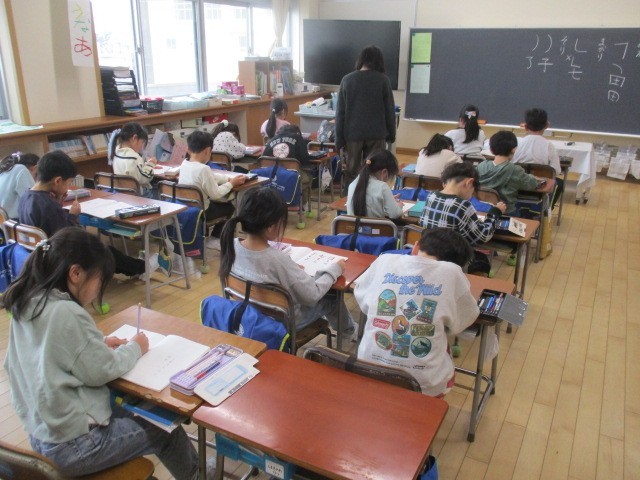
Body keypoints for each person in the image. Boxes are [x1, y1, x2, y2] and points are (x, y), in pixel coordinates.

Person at [2, 227, 200, 479]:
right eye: (99, 280)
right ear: (76, 273)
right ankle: (197, 475)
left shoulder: (28, 300)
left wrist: (99, 343)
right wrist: (135, 347)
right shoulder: (66, 312)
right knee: (165, 430)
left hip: (41, 435)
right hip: (75, 446)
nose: (98, 289)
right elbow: (103, 370)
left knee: (129, 410)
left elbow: (48, 350)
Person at [355, 227, 479, 397]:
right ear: (458, 264)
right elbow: (465, 319)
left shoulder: (384, 260)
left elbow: (363, 300)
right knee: (440, 344)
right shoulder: (452, 272)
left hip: (368, 371)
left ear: (415, 247)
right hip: (424, 386)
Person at [219, 187, 355, 335]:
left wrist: (291, 269)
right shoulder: (277, 260)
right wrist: (335, 269)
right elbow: (312, 295)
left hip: (249, 313)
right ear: (271, 227)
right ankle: (348, 332)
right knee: (332, 298)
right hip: (283, 322)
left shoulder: (231, 244)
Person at [18, 150, 147, 277]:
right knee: (105, 252)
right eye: (68, 183)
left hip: (40, 255)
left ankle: (137, 267)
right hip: (60, 257)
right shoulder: (48, 205)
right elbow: (67, 236)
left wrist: (58, 203)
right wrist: (73, 215)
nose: (68, 187)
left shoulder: (26, 196)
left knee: (103, 249)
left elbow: (51, 225)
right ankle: (143, 267)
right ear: (58, 181)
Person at [420, 162, 507, 275]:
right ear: (469, 182)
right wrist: (495, 213)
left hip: (428, 253)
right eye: (473, 190)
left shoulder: (431, 196)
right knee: (481, 260)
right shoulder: (463, 205)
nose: (471, 195)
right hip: (451, 259)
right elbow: (482, 236)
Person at [335, 45, 396, 194]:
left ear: (361, 60)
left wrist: (339, 140)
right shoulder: (383, 80)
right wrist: (391, 134)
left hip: (352, 135)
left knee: (352, 171)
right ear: (379, 61)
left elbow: (340, 113)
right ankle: (373, 198)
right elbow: (390, 110)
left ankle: (349, 201)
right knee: (375, 170)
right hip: (376, 134)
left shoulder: (347, 80)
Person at [180, 130, 246, 249]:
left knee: (215, 202)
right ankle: (216, 238)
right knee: (229, 207)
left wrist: (227, 179)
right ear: (208, 151)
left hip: (187, 207)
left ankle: (208, 234)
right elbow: (216, 194)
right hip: (203, 211)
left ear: (188, 149)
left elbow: (212, 176)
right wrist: (231, 183)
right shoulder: (203, 169)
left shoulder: (184, 164)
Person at [477, 131, 538, 215]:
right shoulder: (515, 170)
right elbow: (531, 184)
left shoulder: (481, 166)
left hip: (482, 210)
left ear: (491, 150)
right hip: (507, 213)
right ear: (514, 149)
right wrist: (532, 177)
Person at [512, 108, 564, 207]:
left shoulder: (517, 144)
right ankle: (546, 209)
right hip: (541, 187)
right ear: (547, 125)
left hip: (518, 185)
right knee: (559, 183)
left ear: (525, 127)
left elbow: (510, 164)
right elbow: (556, 171)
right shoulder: (549, 146)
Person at [263, 124, 312, 207]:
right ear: (297, 133)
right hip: (291, 176)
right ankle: (303, 206)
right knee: (308, 177)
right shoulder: (298, 138)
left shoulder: (272, 140)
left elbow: (264, 160)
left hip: (270, 177)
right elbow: (305, 160)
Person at [346, 149, 403, 219]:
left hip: (353, 226)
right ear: (384, 172)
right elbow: (395, 214)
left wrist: (388, 199)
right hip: (377, 226)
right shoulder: (383, 187)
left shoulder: (353, 184)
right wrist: (399, 206)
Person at [109, 122, 156, 196]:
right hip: (139, 196)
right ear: (134, 138)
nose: (141, 147)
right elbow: (144, 179)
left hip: (123, 194)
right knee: (159, 188)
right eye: (142, 142)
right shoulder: (134, 157)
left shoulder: (116, 152)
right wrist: (150, 164)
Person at [0, 151, 39, 219]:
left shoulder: (6, 171)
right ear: (35, 168)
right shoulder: (21, 170)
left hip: (7, 223)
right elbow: (34, 203)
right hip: (18, 222)